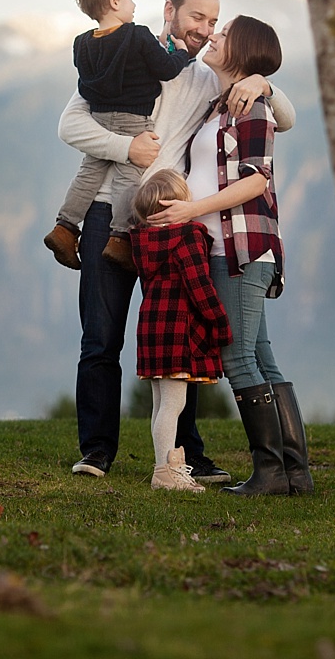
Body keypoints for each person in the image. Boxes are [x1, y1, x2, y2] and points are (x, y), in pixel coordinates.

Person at [58, 0, 296, 480]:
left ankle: (187, 454)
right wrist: (127, 150)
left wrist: (265, 84)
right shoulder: (125, 51)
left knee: (177, 336)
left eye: (213, 22)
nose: (205, 31)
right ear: (170, 11)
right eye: (197, 18)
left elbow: (284, 117)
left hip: (171, 222)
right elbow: (70, 125)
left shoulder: (211, 78)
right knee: (100, 336)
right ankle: (97, 451)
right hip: (108, 213)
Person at [146, 15, 312, 496]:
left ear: (242, 50)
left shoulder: (251, 106)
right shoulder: (220, 104)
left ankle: (270, 473)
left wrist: (191, 210)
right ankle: (292, 474)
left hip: (239, 248)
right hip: (221, 246)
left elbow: (257, 178)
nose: (214, 37)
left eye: (223, 33)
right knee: (261, 355)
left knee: (237, 357)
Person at [44, 0, 191, 272]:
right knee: (128, 178)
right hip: (133, 120)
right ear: (114, 1)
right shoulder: (137, 36)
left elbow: (85, 85)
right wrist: (182, 54)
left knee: (88, 173)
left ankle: (65, 226)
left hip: (99, 117)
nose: (134, 4)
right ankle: (120, 238)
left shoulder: (82, 43)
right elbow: (164, 69)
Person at [130, 169, 231, 492]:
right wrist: (219, 321)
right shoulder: (188, 236)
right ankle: (165, 472)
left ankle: (171, 464)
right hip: (177, 326)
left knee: (161, 403)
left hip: (151, 324)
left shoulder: (142, 241)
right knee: (174, 405)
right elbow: (199, 285)